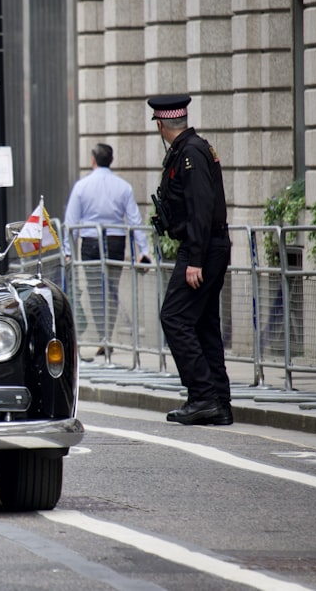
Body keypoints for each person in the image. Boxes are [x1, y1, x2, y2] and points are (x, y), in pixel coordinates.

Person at [148, 94, 232, 426]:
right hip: (206, 246)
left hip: (202, 248)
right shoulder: (192, 149)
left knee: (174, 317)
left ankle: (202, 396)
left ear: (160, 124)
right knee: (204, 323)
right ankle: (219, 402)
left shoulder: (190, 154)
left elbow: (201, 208)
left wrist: (195, 258)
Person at [63, 143, 150, 356]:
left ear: (93, 160)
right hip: (115, 242)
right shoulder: (123, 187)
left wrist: (68, 250)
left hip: (91, 242)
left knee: (95, 291)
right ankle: (107, 337)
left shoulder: (82, 186)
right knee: (111, 288)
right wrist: (143, 250)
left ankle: (104, 336)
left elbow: (71, 222)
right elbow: (135, 220)